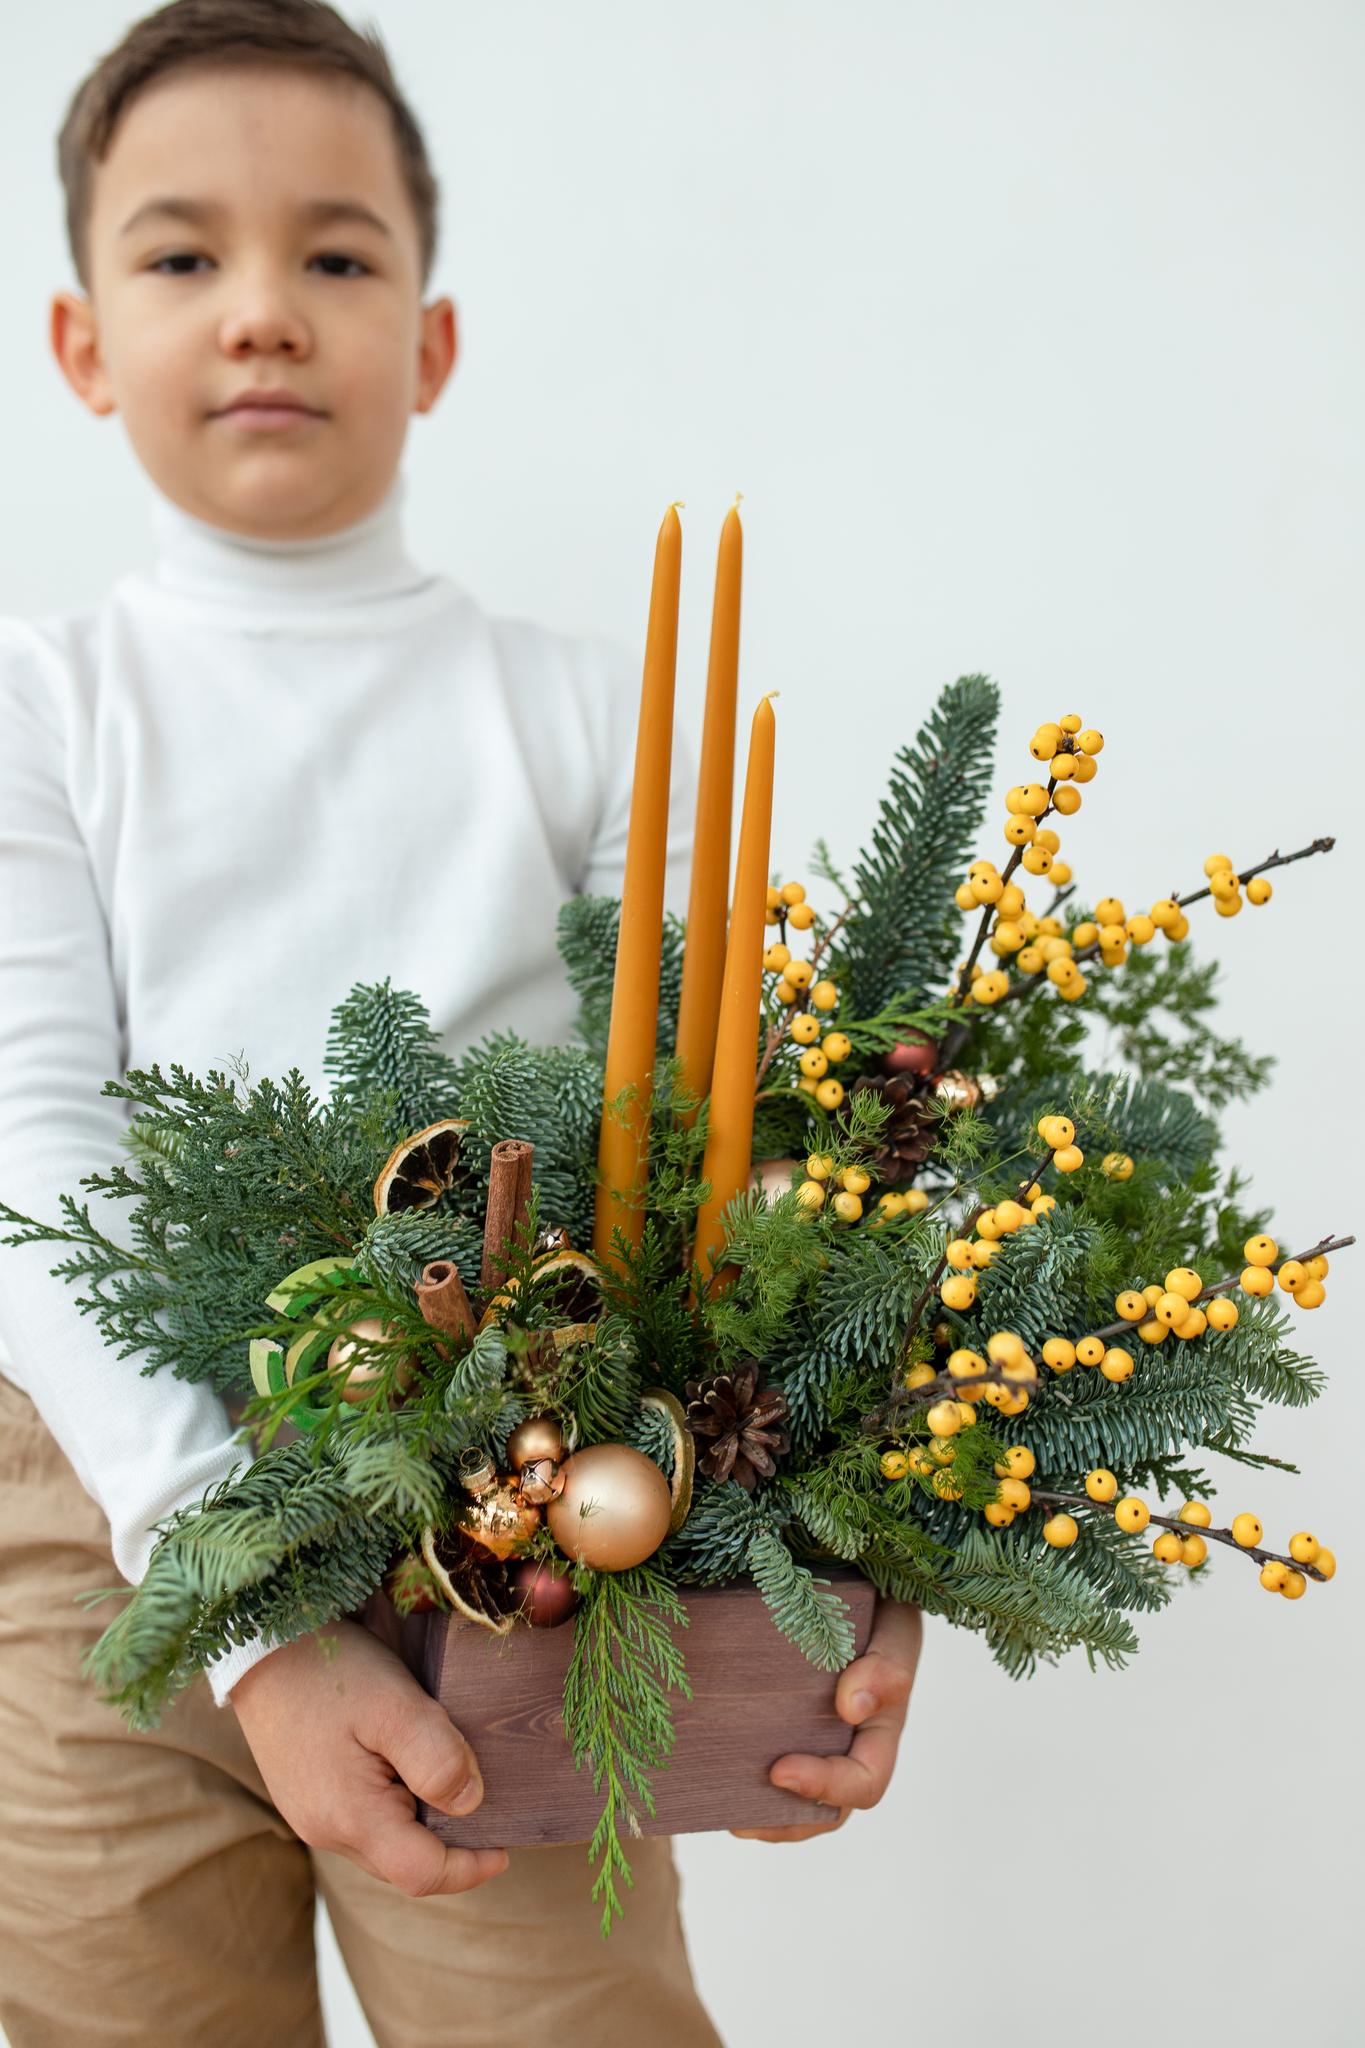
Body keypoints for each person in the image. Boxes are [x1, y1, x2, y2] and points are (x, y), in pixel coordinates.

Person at [0, 4, 923, 2043]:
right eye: (179, 257)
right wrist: (236, 1613)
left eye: (334, 256)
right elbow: (26, 1151)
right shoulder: (44, 708)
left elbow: (741, 1161)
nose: (260, 312)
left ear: (426, 341)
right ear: (80, 343)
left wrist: (833, 1585)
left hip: (513, 1509)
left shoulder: (590, 712)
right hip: (99, 1527)